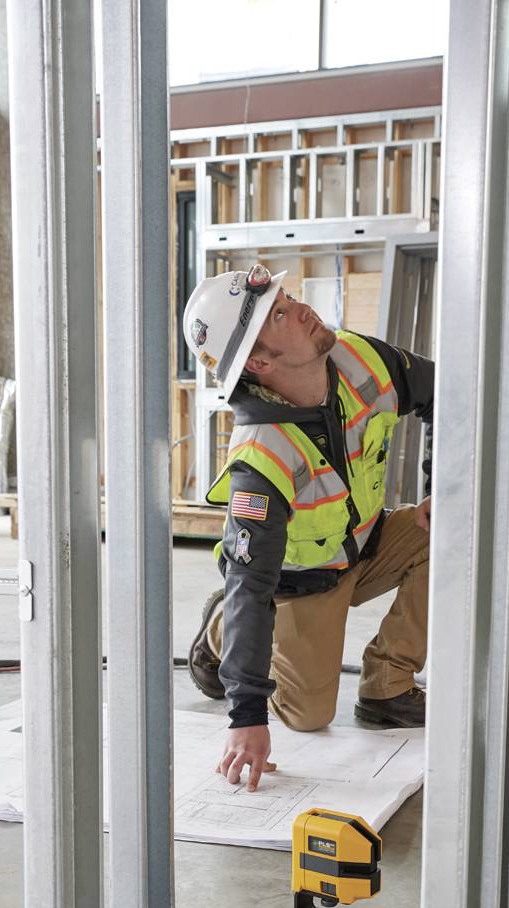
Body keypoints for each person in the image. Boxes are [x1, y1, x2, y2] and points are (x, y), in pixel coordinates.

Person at [183, 264, 434, 791]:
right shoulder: (261, 459)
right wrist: (245, 716)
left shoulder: (361, 358)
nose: (301, 308)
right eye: (279, 314)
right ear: (258, 361)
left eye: (288, 297)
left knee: (459, 534)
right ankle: (220, 631)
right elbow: (252, 583)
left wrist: (449, 489)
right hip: (300, 582)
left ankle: (387, 686)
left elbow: (454, 397)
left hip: (366, 545)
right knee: (307, 717)